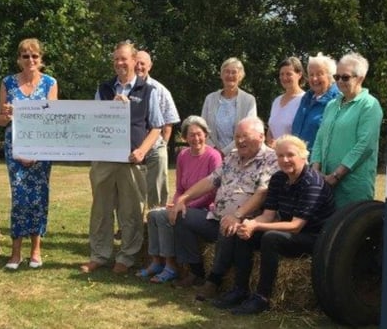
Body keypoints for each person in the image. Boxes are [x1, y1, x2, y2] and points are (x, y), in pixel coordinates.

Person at [217, 135, 335, 315]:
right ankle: (240, 289)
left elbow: (296, 226)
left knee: (271, 238)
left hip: (315, 237)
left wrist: (257, 226)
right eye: (280, 156)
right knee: (243, 231)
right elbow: (268, 215)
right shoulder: (278, 178)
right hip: (294, 230)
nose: (285, 160)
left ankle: (262, 298)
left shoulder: (312, 182)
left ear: (304, 157)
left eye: (290, 155)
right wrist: (250, 224)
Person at [169, 117, 278, 300]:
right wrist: (184, 198)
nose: (240, 140)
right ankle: (196, 271)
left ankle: (214, 280)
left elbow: (262, 193)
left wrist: (237, 215)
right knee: (181, 215)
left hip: (244, 220)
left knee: (228, 225)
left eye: (245, 136)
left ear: (261, 136)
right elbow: (211, 180)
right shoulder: (233, 156)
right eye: (237, 136)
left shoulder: (271, 159)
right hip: (215, 217)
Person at [79, 41, 164, 275]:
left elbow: (156, 126)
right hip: (104, 159)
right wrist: (109, 109)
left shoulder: (148, 91)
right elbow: (93, 121)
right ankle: (99, 255)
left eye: (123, 58)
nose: (119, 63)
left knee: (131, 212)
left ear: (135, 60)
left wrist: (142, 151)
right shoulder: (104, 89)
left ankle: (126, 258)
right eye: (116, 59)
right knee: (101, 210)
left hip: (132, 160)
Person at [0, 38, 58, 270]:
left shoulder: (50, 83)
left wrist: (38, 152)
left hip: (42, 149)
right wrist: (7, 115)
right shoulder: (8, 83)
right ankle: (15, 253)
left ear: (40, 59)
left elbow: (53, 119)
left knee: (39, 198)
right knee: (19, 198)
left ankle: (36, 250)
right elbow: (0, 120)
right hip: (15, 149)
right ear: (19, 59)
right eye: (25, 56)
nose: (30, 60)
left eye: (34, 56)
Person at [139, 116, 221, 284]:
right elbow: (180, 188)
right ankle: (156, 261)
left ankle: (171, 266)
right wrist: (177, 203)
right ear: (184, 137)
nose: (196, 138)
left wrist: (183, 205)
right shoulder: (183, 155)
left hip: (205, 208)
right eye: (191, 135)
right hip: (184, 204)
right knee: (154, 214)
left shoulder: (214, 156)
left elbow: (213, 192)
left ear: (206, 135)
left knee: (168, 217)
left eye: (199, 134)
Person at [311, 52, 383, 209]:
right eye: (337, 77)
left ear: (361, 78)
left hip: (352, 186)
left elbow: (365, 145)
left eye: (345, 77)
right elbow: (320, 138)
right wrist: (315, 170)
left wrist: (336, 175)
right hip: (324, 184)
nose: (339, 81)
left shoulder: (369, 105)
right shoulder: (331, 105)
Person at [135, 50, 180, 208]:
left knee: (157, 186)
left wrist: (162, 145)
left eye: (143, 63)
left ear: (150, 66)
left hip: (155, 145)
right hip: (132, 147)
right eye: (136, 62)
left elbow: (168, 122)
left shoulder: (160, 90)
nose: (139, 66)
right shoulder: (125, 88)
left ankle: (157, 220)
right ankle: (134, 227)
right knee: (133, 190)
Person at [201, 57, 257, 156]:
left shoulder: (249, 100)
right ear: (221, 75)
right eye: (226, 72)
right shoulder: (210, 99)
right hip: (212, 156)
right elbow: (203, 129)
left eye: (234, 72)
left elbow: (248, 131)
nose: (230, 75)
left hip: (240, 154)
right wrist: (214, 152)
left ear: (240, 76)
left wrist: (224, 152)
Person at [291, 52, 340, 154]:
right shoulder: (306, 98)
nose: (314, 78)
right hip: (300, 161)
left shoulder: (337, 100)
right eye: (311, 74)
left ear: (330, 76)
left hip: (322, 164)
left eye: (319, 74)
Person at [266, 57, 305, 146]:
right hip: (274, 154)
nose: (284, 77)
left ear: (299, 74)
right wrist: (270, 143)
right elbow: (270, 129)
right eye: (282, 74)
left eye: (288, 74)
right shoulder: (276, 101)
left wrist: (281, 146)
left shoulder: (304, 100)